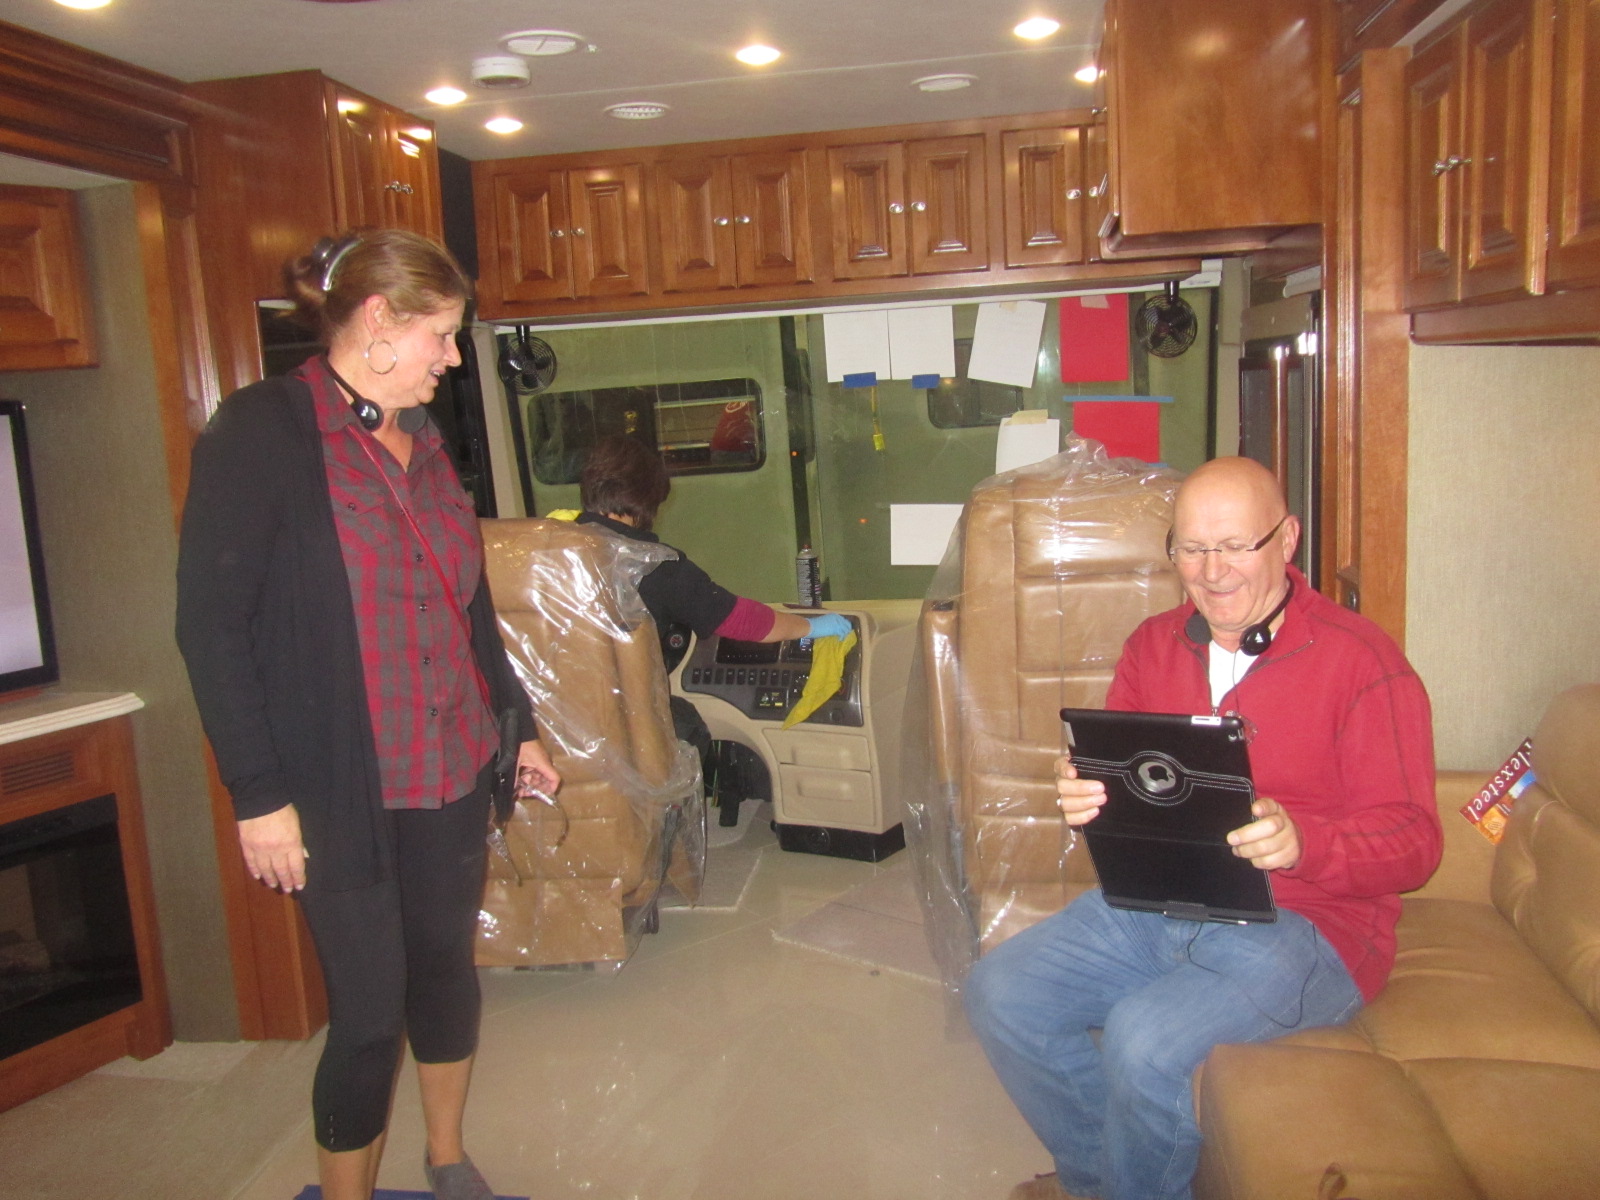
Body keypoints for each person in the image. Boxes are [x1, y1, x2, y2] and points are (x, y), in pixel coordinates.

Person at [176, 229, 560, 1200]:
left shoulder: (424, 440)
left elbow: (464, 604)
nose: (452, 357)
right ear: (379, 320)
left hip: (451, 762)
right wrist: (257, 795)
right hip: (337, 783)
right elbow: (211, 627)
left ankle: (445, 1155)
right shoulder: (262, 431)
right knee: (366, 1011)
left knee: (445, 971)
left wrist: (517, 726)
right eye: (442, 334)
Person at [962, 457, 1441, 1200]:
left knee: (1143, 1041)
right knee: (1000, 991)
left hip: (1308, 924)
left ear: (1287, 539)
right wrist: (1088, 792)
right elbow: (1124, 787)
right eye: (1190, 548)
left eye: (1235, 546)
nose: (1211, 572)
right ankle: (1100, 1183)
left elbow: (1416, 842)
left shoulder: (1363, 662)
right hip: (1160, 901)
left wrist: (1306, 842)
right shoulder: (1152, 645)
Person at [574, 433, 852, 743]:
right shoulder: (652, 563)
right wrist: (811, 627)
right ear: (646, 498)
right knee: (688, 725)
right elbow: (740, 620)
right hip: (622, 729)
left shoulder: (551, 549)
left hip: (561, 725)